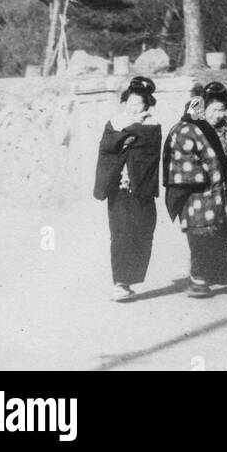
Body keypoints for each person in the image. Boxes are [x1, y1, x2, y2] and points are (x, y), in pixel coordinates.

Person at [163, 81, 227, 297]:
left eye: (222, 110)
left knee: (217, 233)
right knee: (200, 235)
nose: (219, 115)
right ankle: (197, 278)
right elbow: (183, 163)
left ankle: (222, 272)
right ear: (201, 108)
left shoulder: (225, 131)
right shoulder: (186, 129)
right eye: (214, 110)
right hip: (196, 195)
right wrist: (209, 174)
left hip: (218, 193)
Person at [93, 75, 161, 303]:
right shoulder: (113, 123)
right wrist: (126, 136)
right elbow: (107, 146)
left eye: (139, 104)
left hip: (142, 191)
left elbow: (144, 143)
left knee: (142, 233)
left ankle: (129, 280)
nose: (134, 108)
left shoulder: (152, 126)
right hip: (119, 192)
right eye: (130, 103)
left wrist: (127, 137)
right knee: (120, 235)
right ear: (124, 103)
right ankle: (120, 283)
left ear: (147, 106)